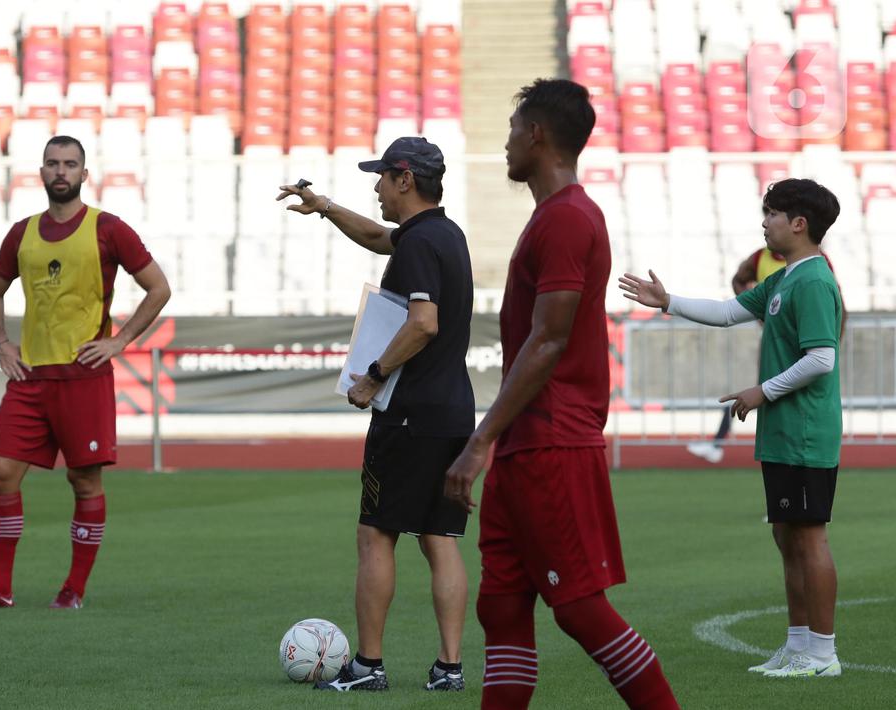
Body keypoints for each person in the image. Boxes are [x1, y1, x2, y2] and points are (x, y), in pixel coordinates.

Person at [443, 80, 680, 710]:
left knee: (578, 607)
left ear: (537, 134)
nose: (506, 142)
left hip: (553, 441)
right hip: (527, 443)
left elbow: (548, 341)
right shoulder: (553, 215)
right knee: (501, 605)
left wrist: (479, 441)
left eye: (513, 129)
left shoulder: (569, 218)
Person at [620, 178, 845, 678]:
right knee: (787, 537)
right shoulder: (786, 277)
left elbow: (822, 359)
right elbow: (727, 312)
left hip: (805, 432)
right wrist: (668, 301)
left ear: (798, 223)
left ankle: (822, 654)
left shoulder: (812, 280)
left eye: (772, 214)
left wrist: (762, 391)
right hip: (784, 432)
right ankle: (798, 645)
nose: (764, 223)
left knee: (809, 538)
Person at [277, 136, 474, 692]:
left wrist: (375, 375)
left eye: (382, 178)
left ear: (405, 179)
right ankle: (449, 669)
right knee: (439, 537)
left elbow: (423, 322)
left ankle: (367, 667)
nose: (377, 188)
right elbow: (376, 237)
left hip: (409, 414)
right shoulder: (444, 234)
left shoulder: (417, 244)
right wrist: (325, 206)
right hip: (452, 410)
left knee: (376, 534)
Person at [0, 135, 171, 610]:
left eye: (70, 164)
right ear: (41, 172)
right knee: (0, 473)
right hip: (30, 378)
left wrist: (119, 341)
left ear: (84, 174)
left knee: (84, 482)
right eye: (53, 163)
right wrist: (1, 343)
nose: (61, 171)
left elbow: (158, 288)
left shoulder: (108, 229)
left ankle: (73, 590)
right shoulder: (22, 233)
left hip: (84, 377)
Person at [687, 247, 841, 464]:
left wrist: (831, 340)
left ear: (798, 228)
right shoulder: (768, 266)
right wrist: (667, 301)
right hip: (774, 345)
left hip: (807, 442)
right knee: (760, 391)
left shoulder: (815, 274)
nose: (765, 228)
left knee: (773, 392)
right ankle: (719, 443)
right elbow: (728, 307)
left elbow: (822, 355)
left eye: (773, 220)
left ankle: (718, 443)